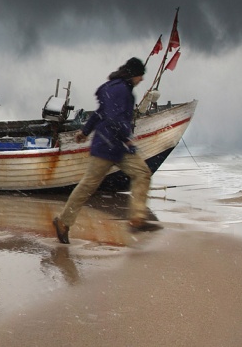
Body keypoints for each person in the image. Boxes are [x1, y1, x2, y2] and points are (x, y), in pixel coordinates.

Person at [53, 57, 162, 244]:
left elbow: (100, 113)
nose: (141, 80)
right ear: (133, 74)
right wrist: (127, 137)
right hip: (108, 145)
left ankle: (137, 219)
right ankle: (63, 222)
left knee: (142, 173)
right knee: (88, 185)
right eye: (140, 76)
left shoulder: (118, 88)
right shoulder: (120, 90)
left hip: (116, 146)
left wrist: (85, 131)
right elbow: (112, 117)